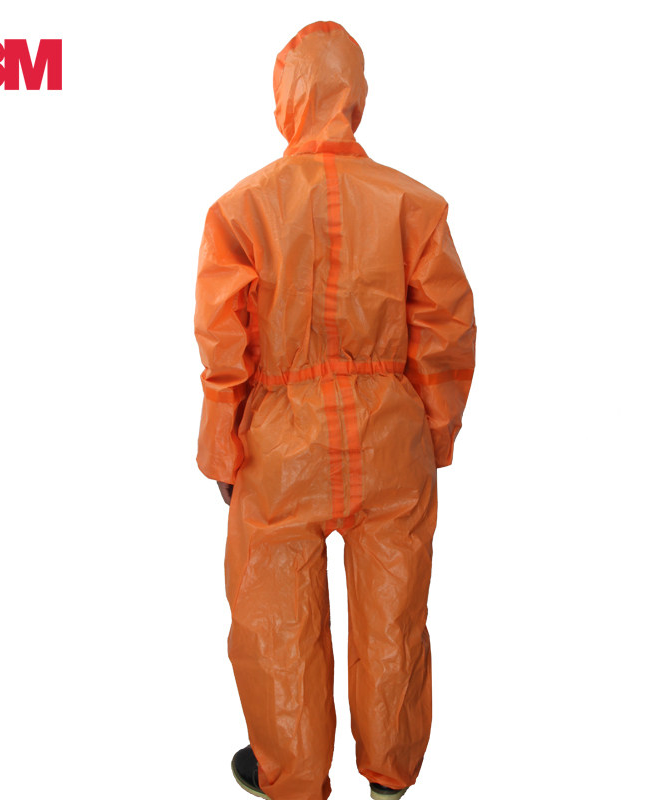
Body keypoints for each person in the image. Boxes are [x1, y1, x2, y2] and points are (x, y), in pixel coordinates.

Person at [194, 19, 476, 800]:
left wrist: (223, 448)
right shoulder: (415, 204)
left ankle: (292, 779)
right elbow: (448, 330)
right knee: (394, 611)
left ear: (285, 98)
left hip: (281, 444)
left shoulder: (240, 210)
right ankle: (390, 777)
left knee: (275, 615)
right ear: (357, 98)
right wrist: (434, 434)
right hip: (392, 434)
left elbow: (223, 345)